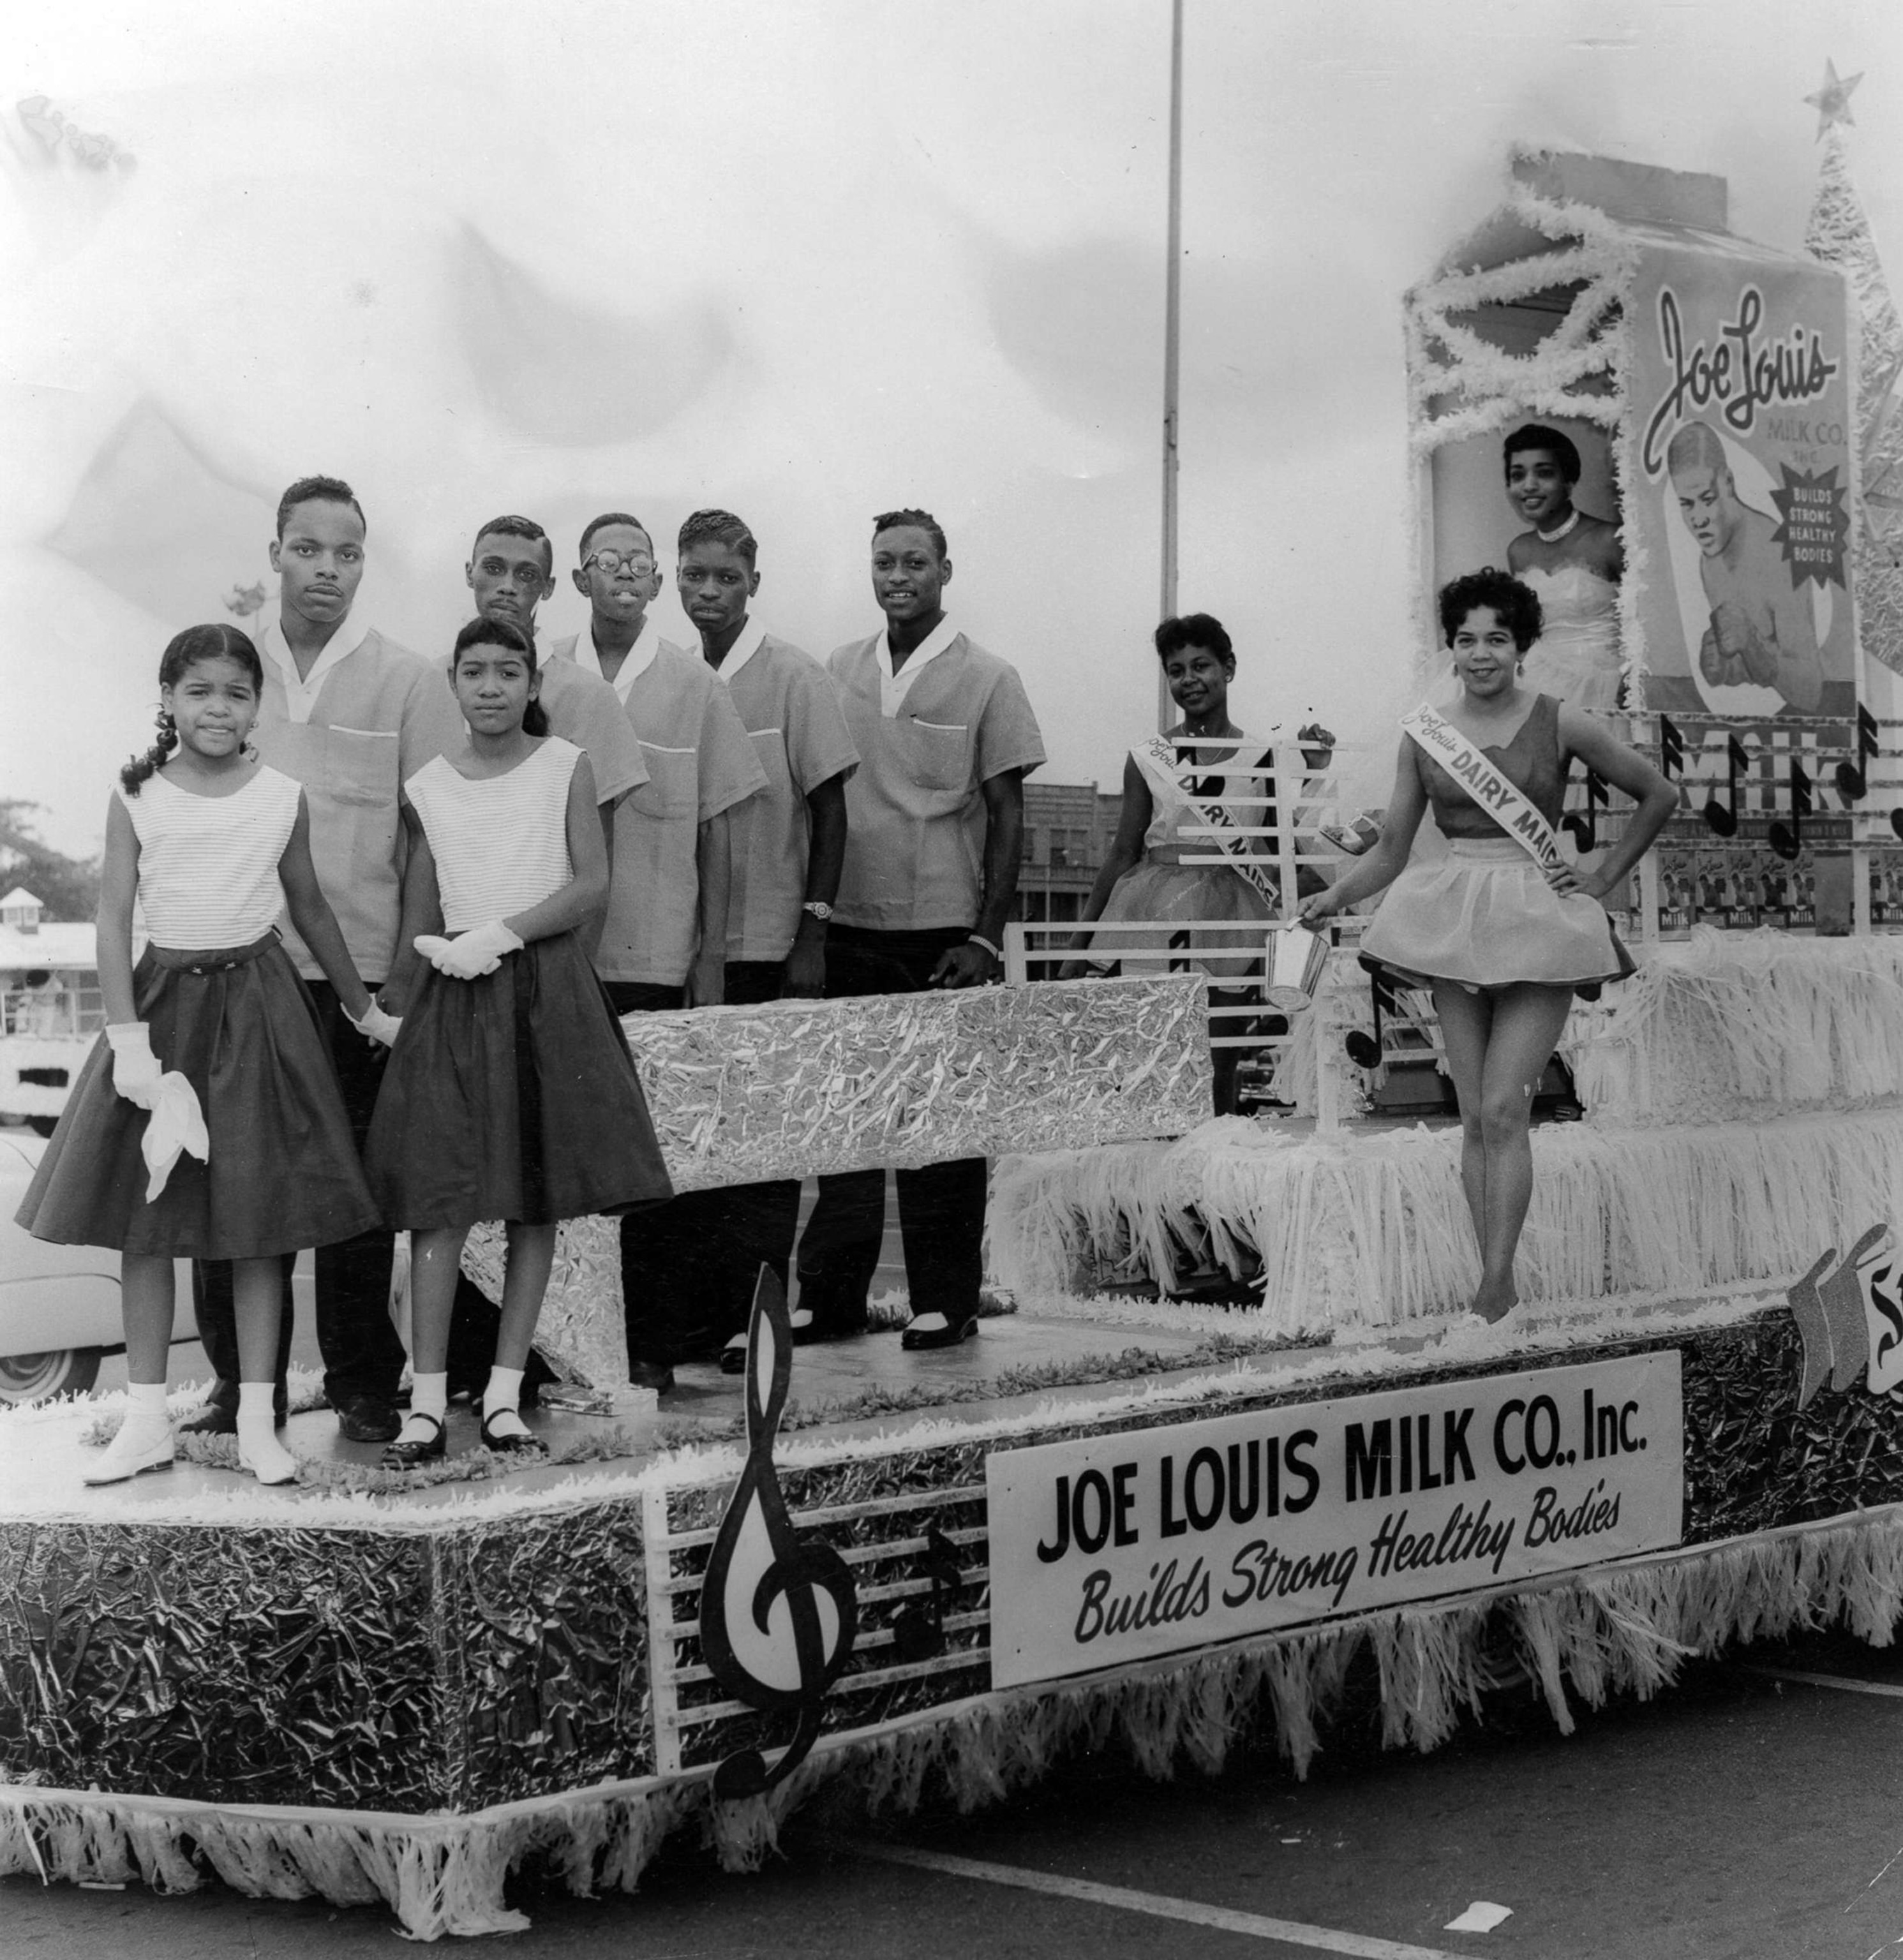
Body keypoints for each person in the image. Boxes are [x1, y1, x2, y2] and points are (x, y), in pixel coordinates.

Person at [16, 625, 391, 1486]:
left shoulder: (280, 794)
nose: (218, 708)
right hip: (159, 1012)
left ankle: (260, 1419)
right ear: (167, 699)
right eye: (199, 691)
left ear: (257, 704)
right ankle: (146, 1418)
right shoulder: (136, 793)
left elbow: (311, 908)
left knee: (257, 1226)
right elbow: (112, 917)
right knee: (145, 1224)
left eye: (235, 692)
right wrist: (127, 1041)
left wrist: (365, 1010)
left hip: (258, 1014)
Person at [1297, 568, 1673, 1323]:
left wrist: (1604, 872)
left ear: (1521, 645)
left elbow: (1658, 793)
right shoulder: (1424, 736)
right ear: (1452, 647)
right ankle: (1491, 1281)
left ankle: (1497, 1280)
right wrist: (1334, 896)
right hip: (1455, 922)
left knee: (1507, 1104)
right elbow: (1393, 850)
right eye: (1466, 640)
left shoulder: (1563, 721)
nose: (1480, 654)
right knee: (1474, 1115)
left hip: (1540, 919)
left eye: (1496, 638)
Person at [188, 477, 459, 1447]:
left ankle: (361, 1382)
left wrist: (401, 981)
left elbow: (433, 837)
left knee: (357, 1182)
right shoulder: (229, 667)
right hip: (235, 969)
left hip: (362, 978)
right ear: (275, 555)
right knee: (231, 1182)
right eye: (308, 550)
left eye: (347, 554)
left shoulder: (410, 679)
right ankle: (238, 1386)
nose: (327, 571)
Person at [365, 617, 671, 1467]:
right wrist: (393, 1002)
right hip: (456, 998)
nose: (492, 686)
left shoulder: (565, 765)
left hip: (542, 993)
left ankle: (504, 1395)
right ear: (453, 684)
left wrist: (499, 934)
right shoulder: (427, 784)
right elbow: (423, 903)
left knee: (535, 1200)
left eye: (509, 671)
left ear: (533, 683)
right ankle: (426, 1404)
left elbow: (589, 883)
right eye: (475, 672)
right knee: (441, 1199)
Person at [796, 509, 1046, 1351]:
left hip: (943, 931)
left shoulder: (990, 677)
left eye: (913, 562)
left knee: (941, 1121)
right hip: (849, 925)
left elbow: (1010, 816)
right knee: (848, 1120)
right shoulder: (835, 669)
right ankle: (828, 1300)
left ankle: (946, 1297)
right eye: (883, 562)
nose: (897, 576)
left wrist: (983, 936)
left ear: (945, 570)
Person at [628, 509, 859, 1384]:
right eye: (694, 577)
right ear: (674, 580)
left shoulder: (795, 676)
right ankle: (692, 1318)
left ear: (753, 581)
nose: (709, 593)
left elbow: (830, 810)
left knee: (760, 1141)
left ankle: (746, 1318)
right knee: (694, 1139)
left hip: (768, 939)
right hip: (690, 947)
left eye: (726, 578)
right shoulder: (677, 678)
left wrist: (813, 925)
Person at [551, 512, 765, 1392]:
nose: (626, 575)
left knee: (654, 1162)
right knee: (564, 1158)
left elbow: (719, 833)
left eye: (641, 561)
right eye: (609, 560)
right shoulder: (545, 677)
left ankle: (654, 1347)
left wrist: (707, 957)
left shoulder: (695, 686)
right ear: (579, 578)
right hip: (562, 956)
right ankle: (565, 1350)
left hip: (655, 956)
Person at [449, 512, 652, 1400]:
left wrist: (567, 986)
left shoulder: (585, 702)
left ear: (547, 587)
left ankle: (526, 1371)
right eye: (492, 568)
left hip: (542, 976)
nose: (506, 585)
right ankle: (450, 1369)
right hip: (456, 980)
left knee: (541, 1179)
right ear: (469, 574)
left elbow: (591, 861)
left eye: (525, 574)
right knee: (455, 1176)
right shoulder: (448, 682)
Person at [1059, 613, 1332, 1115]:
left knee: (1218, 1056)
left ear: (1228, 669)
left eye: (1201, 665)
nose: (1189, 680)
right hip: (1154, 908)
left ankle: (1211, 1171)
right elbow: (1123, 851)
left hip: (1231, 909)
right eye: (1176, 670)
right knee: (1153, 1053)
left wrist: (1311, 773)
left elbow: (1277, 849)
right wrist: (1082, 938)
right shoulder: (1149, 756)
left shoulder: (1261, 756)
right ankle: (1157, 1182)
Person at [1668, 420, 1825, 713]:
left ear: (1728, 482)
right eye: (1687, 504)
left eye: (1707, 499)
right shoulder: (1709, 559)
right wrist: (1722, 666)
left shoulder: (1776, 554)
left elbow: (1812, 691)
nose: (1698, 519)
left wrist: (1753, 648)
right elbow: (1749, 665)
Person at [1502, 424, 1625, 712]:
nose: (1529, 485)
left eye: (1544, 473)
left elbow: (1648, 627)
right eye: (1517, 475)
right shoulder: (1518, 551)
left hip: (1607, 688)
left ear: (1568, 481)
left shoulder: (1610, 539)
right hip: (1540, 682)